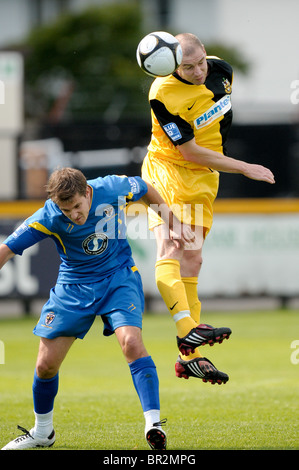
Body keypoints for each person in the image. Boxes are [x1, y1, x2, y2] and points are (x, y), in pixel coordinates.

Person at [0, 168, 193, 451]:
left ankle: (153, 424)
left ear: (87, 193)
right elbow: (6, 249)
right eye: (66, 210)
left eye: (77, 206)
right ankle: (42, 432)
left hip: (118, 277)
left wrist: (171, 222)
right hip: (74, 286)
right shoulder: (49, 215)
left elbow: (144, 187)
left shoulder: (112, 188)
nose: (73, 215)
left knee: (131, 342)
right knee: (45, 364)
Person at [141, 33, 275, 383]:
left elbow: (214, 127)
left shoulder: (222, 71)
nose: (199, 71)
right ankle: (188, 331)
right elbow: (188, 151)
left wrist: (225, 162)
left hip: (204, 176)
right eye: (188, 67)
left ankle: (188, 358)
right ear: (173, 65)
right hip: (168, 169)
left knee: (194, 258)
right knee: (172, 243)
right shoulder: (162, 94)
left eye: (201, 62)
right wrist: (245, 166)